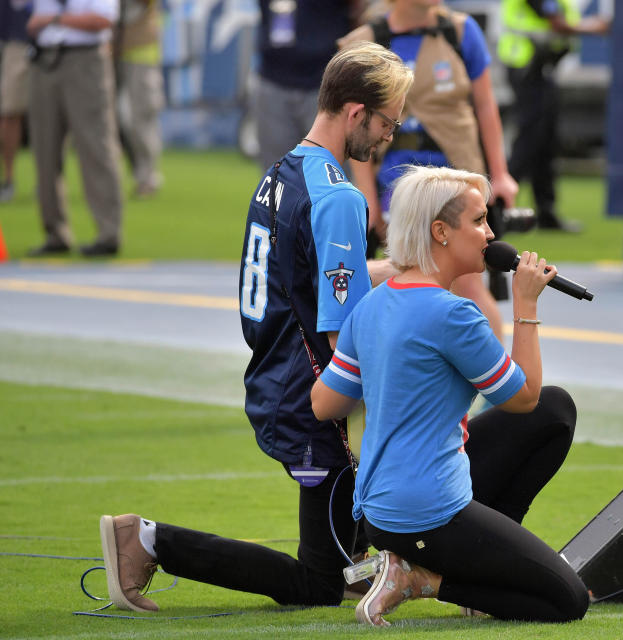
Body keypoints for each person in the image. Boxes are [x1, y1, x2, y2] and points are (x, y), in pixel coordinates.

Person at [97, 42, 414, 613]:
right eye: (388, 121)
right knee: (323, 585)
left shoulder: (284, 170)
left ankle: (372, 560)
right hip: (312, 392)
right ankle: (145, 541)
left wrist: (396, 269)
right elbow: (345, 335)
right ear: (354, 112)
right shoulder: (341, 197)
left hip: (275, 372)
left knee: (349, 561)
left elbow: (302, 276)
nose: (391, 135)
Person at [311, 165, 589, 626]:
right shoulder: (453, 315)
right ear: (440, 231)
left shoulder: (374, 303)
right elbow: (521, 398)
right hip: (425, 513)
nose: (491, 232)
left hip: (379, 513)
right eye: (479, 220)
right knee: (567, 600)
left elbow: (324, 405)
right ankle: (425, 580)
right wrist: (525, 305)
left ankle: (473, 562)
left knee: (555, 412)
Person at [339, 0, 517, 341]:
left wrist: (500, 173)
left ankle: (496, 379)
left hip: (458, 179)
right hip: (397, 183)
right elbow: (357, 128)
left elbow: (485, 106)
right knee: (406, 277)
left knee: (467, 283)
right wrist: (367, 196)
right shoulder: (367, 40)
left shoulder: (461, 31)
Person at [498, 0, 609, 231]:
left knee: (545, 140)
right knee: (529, 140)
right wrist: (596, 27)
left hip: (541, 67)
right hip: (526, 66)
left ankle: (546, 212)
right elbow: (557, 24)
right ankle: (499, 206)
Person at [26, 0, 126, 257]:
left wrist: (54, 20)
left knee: (96, 146)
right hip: (44, 58)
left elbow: (103, 19)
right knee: (44, 149)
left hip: (85, 58)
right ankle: (55, 233)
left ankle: (108, 233)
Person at [254, 0, 365, 172]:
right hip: (273, 77)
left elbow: (358, 12)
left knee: (329, 173)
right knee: (276, 176)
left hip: (327, 83)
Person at [116, 0, 164, 197]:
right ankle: (139, 174)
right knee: (123, 120)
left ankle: (148, 177)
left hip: (143, 56)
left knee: (141, 121)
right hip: (119, 54)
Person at [0, 0, 32, 203]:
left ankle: (50, 182)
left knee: (54, 115)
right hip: (15, 44)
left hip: (55, 43)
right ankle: (9, 179)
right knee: (10, 113)